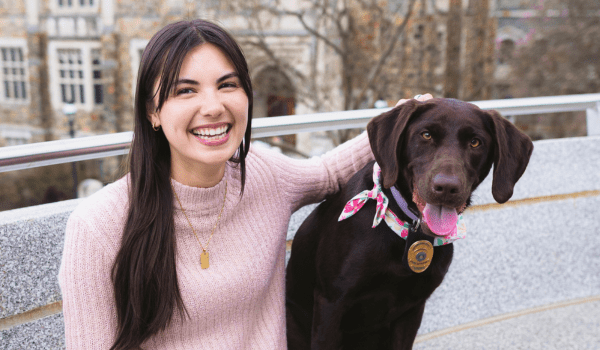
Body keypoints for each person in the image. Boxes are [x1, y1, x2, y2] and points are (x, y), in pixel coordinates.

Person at [58, 19, 431, 349]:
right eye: (186, 90)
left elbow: (327, 172)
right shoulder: (99, 225)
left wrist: (402, 120)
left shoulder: (264, 176)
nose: (213, 106)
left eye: (227, 85)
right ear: (153, 111)